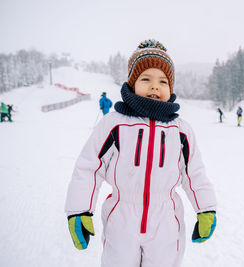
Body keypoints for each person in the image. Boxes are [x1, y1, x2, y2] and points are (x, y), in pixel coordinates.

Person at [65, 39, 217, 267]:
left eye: (163, 81)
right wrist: (79, 210)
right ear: (132, 83)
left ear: (171, 88)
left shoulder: (181, 130)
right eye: (146, 79)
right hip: (121, 218)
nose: (155, 86)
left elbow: (194, 173)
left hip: (166, 220)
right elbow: (89, 167)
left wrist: (206, 208)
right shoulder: (114, 124)